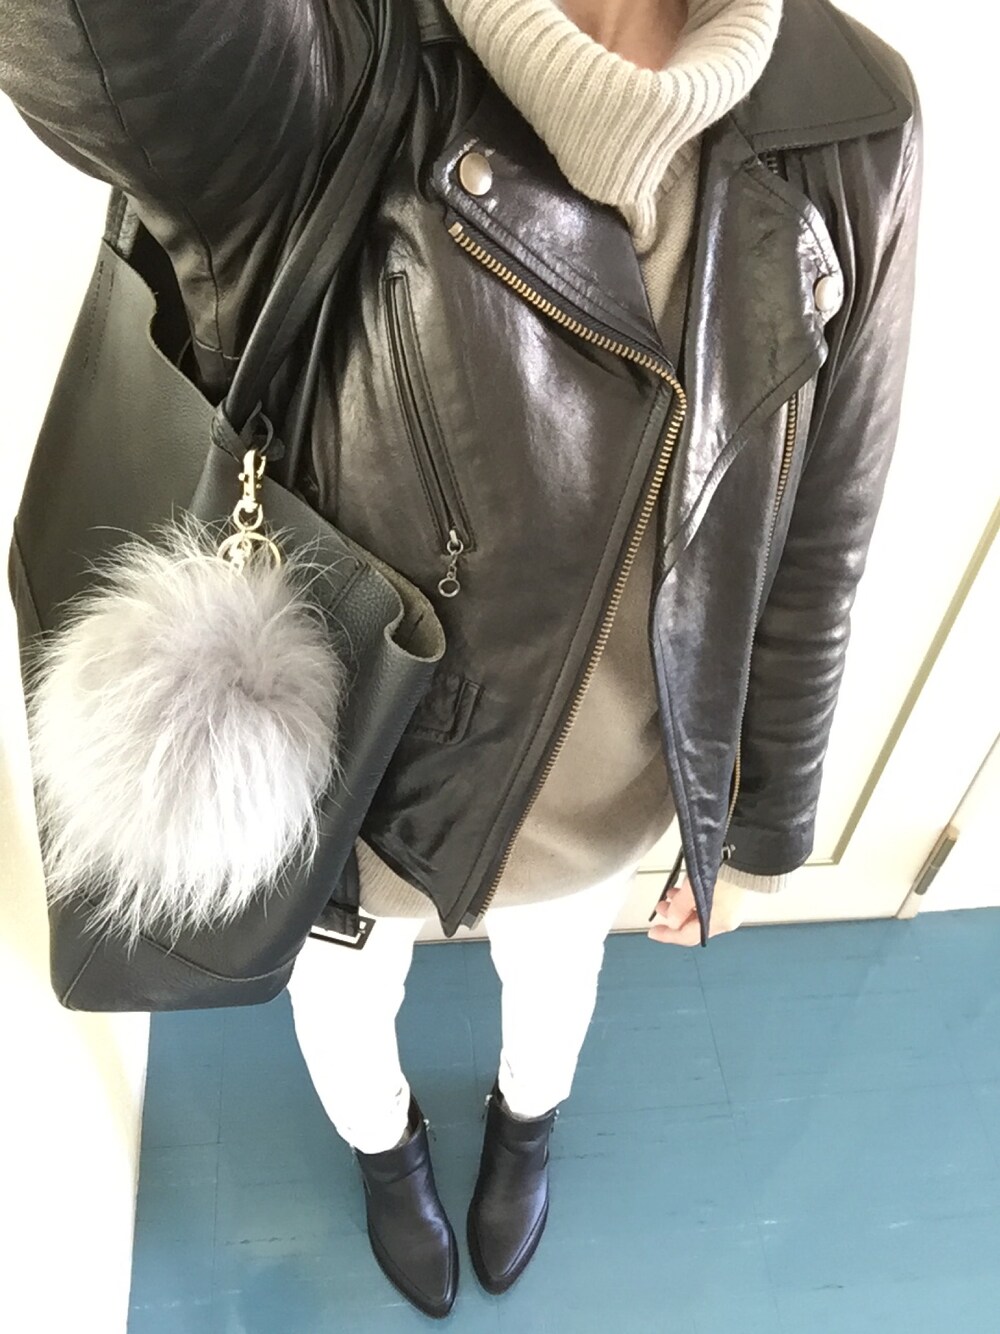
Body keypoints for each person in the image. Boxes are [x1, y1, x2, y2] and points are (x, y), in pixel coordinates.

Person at [0, 0, 922, 1319]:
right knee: (341, 1005)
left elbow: (824, 511)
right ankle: (386, 1151)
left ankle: (526, 1124)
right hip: (350, 790)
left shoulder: (853, 114)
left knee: (557, 985)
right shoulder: (332, 50)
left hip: (607, 792)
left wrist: (760, 813)